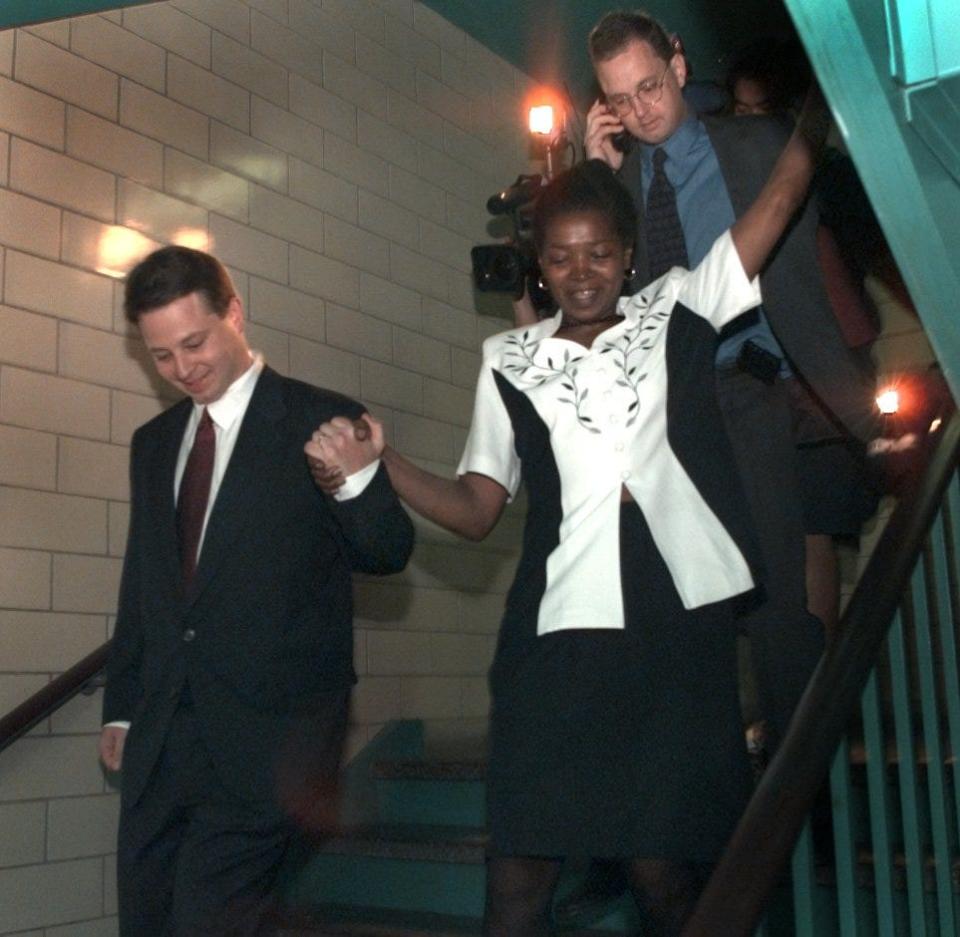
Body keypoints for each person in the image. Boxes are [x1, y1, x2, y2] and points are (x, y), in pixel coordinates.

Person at [308, 85, 830, 936]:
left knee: (664, 869)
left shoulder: (678, 309)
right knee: (518, 871)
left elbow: (770, 209)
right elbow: (479, 506)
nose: (580, 273)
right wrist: (385, 462)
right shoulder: (508, 357)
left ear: (627, 255)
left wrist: (816, 126)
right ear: (538, 265)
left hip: (674, 625)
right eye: (559, 258)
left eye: (597, 254)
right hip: (555, 635)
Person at [98, 246, 414, 937]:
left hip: (271, 746)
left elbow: (388, 551)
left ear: (234, 314)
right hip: (162, 744)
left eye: (194, 342)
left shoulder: (321, 418)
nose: (184, 368)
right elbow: (145, 582)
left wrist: (357, 480)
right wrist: (121, 707)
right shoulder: (153, 443)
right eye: (162, 356)